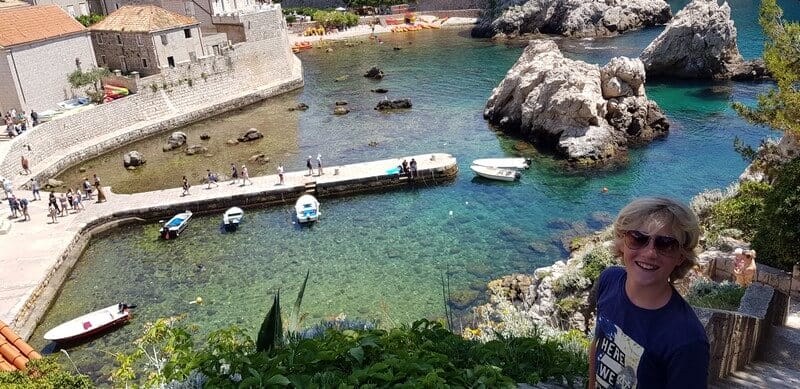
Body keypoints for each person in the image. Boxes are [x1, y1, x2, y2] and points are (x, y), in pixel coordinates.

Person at [589, 197, 709, 388]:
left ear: (680, 256)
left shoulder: (687, 340)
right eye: (638, 238)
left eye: (666, 244)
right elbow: (598, 346)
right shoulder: (608, 280)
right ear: (622, 242)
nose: (650, 252)